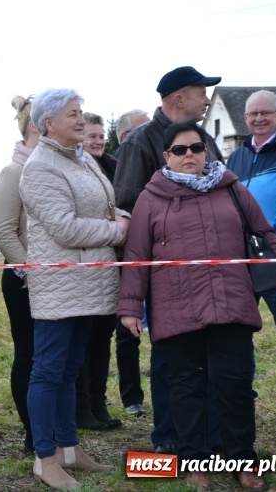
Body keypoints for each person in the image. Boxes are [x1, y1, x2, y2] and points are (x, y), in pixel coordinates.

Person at [120, 121, 276, 492]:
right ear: (167, 156)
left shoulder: (232, 187)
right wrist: (130, 307)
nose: (189, 155)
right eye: (180, 150)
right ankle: (196, 462)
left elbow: (265, 235)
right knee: (185, 387)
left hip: (231, 303)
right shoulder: (151, 197)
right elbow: (136, 256)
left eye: (196, 148)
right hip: (177, 308)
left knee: (235, 386)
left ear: (205, 151)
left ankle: (243, 460)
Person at [20, 89, 128, 490]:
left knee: (69, 369)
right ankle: (44, 458)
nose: (81, 120)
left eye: (81, 112)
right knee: (48, 371)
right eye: (72, 114)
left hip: (89, 281)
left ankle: (68, 448)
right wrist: (116, 231)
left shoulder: (82, 158)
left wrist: (120, 216)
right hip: (60, 285)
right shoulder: (41, 167)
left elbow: (102, 206)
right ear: (48, 123)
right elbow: (65, 228)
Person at [113, 66, 223, 454]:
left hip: (210, 270)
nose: (207, 101)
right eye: (201, 93)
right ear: (179, 98)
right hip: (165, 274)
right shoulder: (140, 142)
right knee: (169, 356)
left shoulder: (204, 138)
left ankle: (209, 433)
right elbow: (128, 208)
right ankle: (169, 436)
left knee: (208, 354)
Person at [227, 90, 276, 430]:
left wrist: (274, 237)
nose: (259, 118)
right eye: (253, 114)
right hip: (244, 261)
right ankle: (241, 402)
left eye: (266, 112)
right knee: (237, 337)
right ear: (245, 118)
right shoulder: (236, 157)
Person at [0, 95, 38, 454]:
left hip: (58, 280)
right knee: (30, 354)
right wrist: (29, 271)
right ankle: (33, 432)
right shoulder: (14, 173)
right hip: (25, 280)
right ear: (36, 126)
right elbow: (4, 230)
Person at [72, 112, 121, 431]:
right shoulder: (74, 169)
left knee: (103, 338)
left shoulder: (114, 168)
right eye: (91, 136)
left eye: (101, 136)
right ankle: (82, 407)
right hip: (83, 266)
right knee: (84, 341)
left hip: (111, 263)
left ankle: (99, 403)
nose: (98, 141)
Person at [112, 110, 150, 416]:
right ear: (126, 137)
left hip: (159, 256)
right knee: (127, 331)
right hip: (125, 260)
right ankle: (131, 396)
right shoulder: (115, 167)